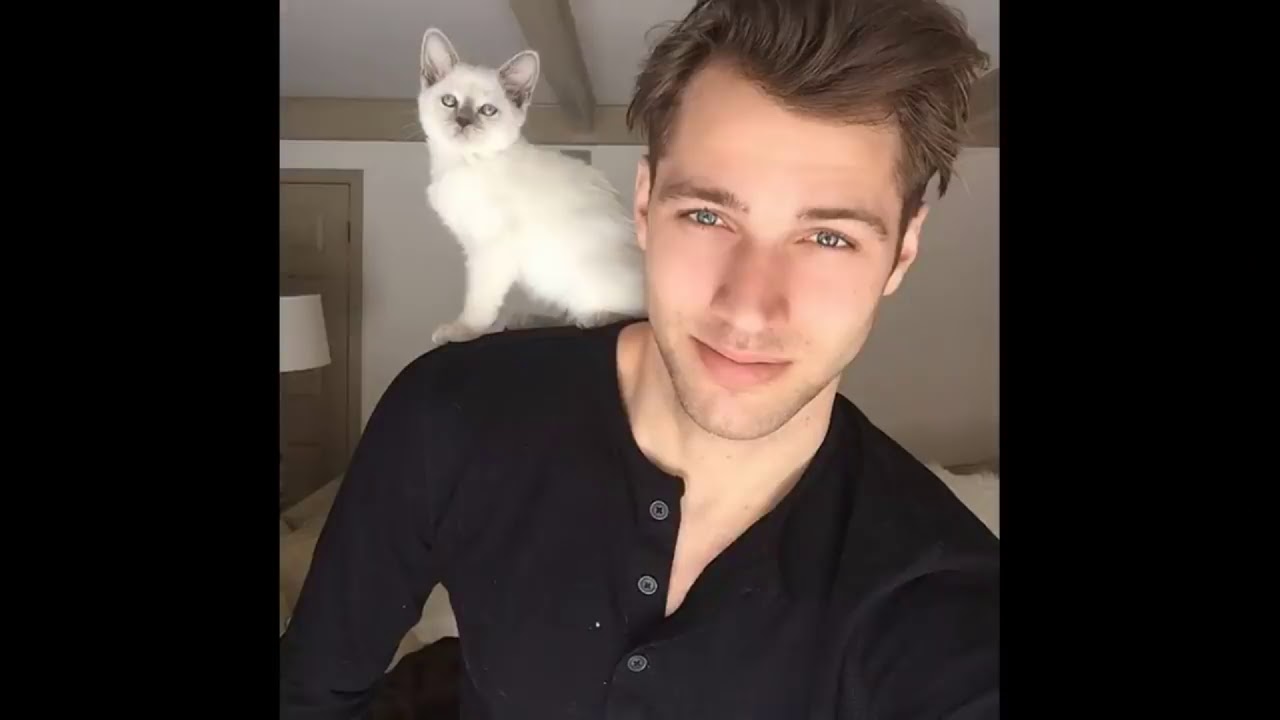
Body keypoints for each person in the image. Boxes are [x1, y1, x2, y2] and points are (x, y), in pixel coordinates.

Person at [279, 0, 999, 717]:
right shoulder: (448, 412)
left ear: (902, 252)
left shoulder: (944, 596)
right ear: (646, 205)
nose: (748, 309)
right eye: (708, 215)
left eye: (830, 237)